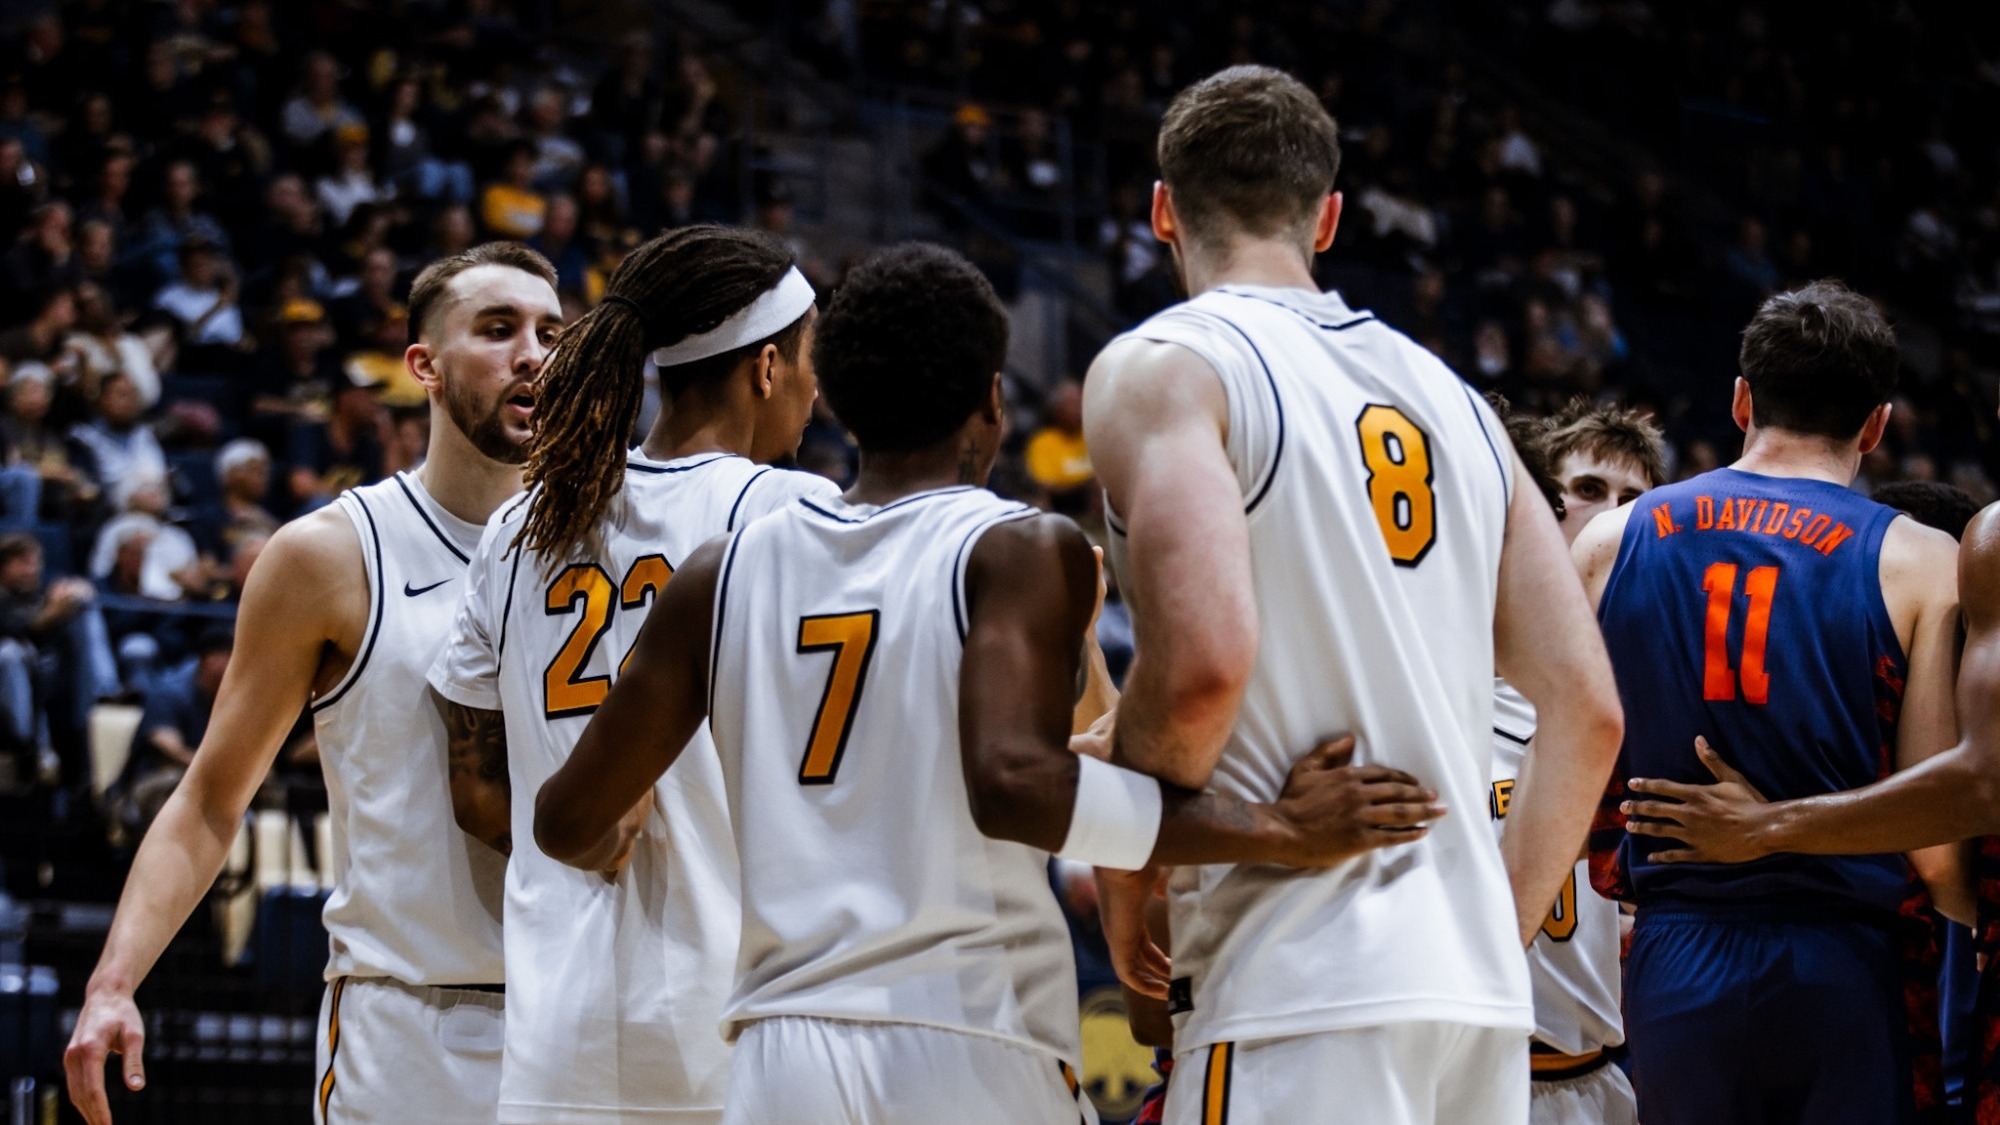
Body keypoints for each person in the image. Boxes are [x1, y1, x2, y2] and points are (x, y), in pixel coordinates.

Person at [533, 242, 1448, 1124]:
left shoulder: (721, 571)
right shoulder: (1014, 545)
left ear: (842, 404)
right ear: (994, 401)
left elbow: (566, 820)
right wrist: (1279, 829)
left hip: (780, 1052)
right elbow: (1014, 785)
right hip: (966, 1029)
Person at [1079, 66, 1623, 1125]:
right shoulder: (1456, 402)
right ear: (1327, 218)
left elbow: (1199, 668)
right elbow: (1587, 711)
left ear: (1160, 210)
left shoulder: (1165, 365)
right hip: (1471, 1009)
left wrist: (1123, 848)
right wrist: (1485, 929)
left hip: (1297, 981)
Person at [63, 242, 563, 1125]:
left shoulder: (610, 549)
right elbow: (213, 798)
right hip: (413, 1029)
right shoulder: (330, 554)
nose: (534, 353)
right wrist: (112, 982)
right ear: (425, 368)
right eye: (498, 329)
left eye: (552, 334)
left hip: (588, 1017)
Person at [427, 226, 841, 1124]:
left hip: (554, 1035)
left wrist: (588, 838)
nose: (819, 390)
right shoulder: (787, 514)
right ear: (767, 367)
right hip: (736, 1034)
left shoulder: (522, 526)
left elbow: (474, 789)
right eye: (813, 360)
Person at [1573, 280, 1965, 1124]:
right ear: (1876, 425)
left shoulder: (1610, 541)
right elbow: (1934, 845)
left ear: (1743, 398)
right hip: (1846, 960)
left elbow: (1566, 767)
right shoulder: (1923, 560)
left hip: (1675, 947)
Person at [1489, 401, 1665, 1125]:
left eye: (1634, 500)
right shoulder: (1447, 676)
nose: (1609, 516)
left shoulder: (1657, 699)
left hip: (1592, 1078)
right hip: (1468, 1066)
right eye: (1589, 490)